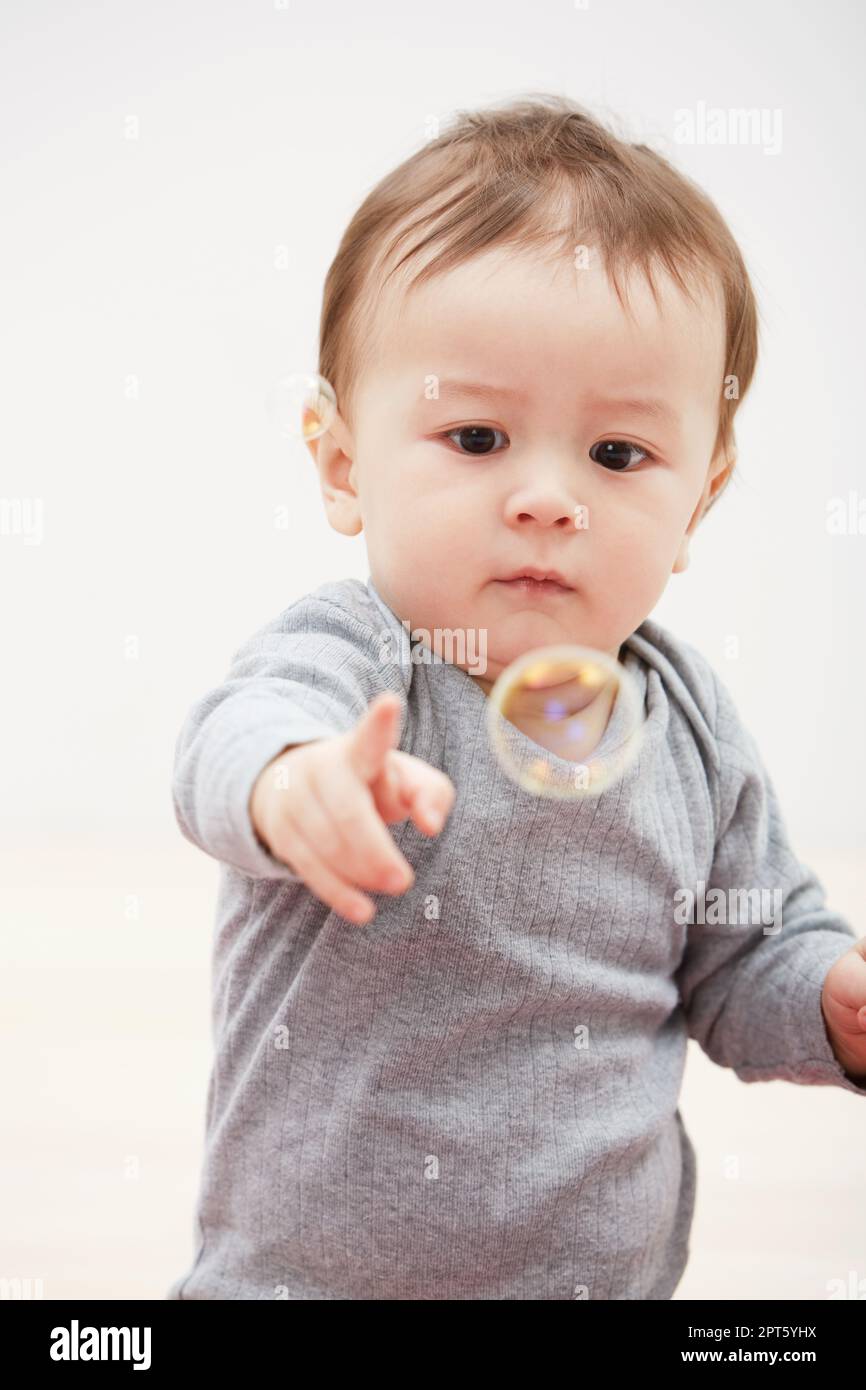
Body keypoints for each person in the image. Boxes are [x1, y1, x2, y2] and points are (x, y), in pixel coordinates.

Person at [167, 94, 866, 1300]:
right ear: (342, 463)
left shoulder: (687, 725)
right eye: (478, 436)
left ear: (697, 496)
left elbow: (745, 953)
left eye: (615, 455)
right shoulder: (359, 658)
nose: (547, 497)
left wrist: (824, 998)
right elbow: (229, 741)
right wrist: (296, 785)